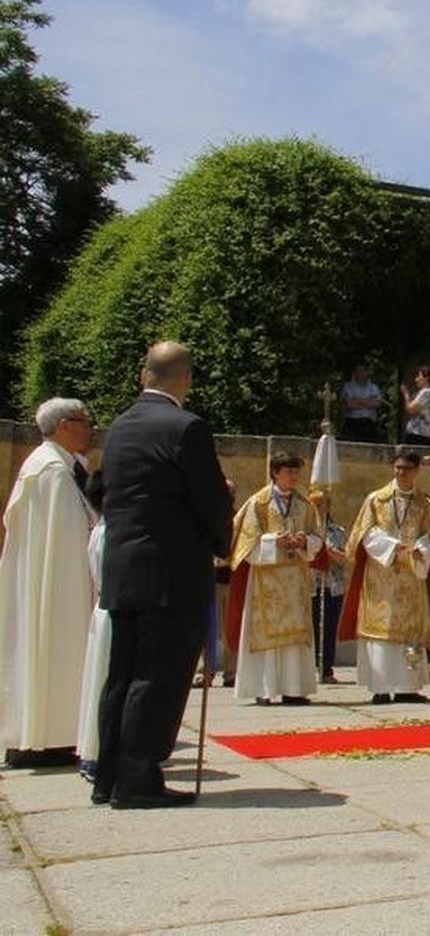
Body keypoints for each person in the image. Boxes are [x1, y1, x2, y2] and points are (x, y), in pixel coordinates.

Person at [95, 342, 233, 808]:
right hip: (171, 575)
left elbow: (102, 490)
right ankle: (137, 779)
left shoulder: (119, 427)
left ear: (142, 376)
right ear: (186, 380)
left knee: (122, 675)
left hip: (123, 568)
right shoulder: (186, 427)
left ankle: (108, 774)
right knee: (159, 676)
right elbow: (210, 499)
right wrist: (221, 541)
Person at [1, 398, 97, 769]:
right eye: (83, 420)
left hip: (55, 582)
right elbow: (70, 537)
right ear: (63, 426)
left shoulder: (59, 466)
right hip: (59, 586)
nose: (90, 427)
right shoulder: (53, 471)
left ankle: (53, 734)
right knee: (57, 652)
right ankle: (51, 737)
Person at [338, 450, 430, 703]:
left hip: (411, 577)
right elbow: (365, 532)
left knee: (410, 635)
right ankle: (381, 687)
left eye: (406, 468)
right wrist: (389, 545)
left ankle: (409, 687)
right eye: (396, 467)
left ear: (417, 471)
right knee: (381, 634)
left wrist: (421, 549)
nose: (400, 472)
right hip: (381, 576)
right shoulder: (376, 500)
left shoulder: (425, 504)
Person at [226, 452, 324, 706]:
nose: (293, 476)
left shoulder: (305, 503)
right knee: (266, 635)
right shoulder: (258, 503)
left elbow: (317, 537)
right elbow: (246, 542)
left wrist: (304, 541)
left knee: (294, 636)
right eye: (288, 471)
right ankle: (264, 687)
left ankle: (294, 689)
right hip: (265, 580)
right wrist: (273, 541)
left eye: (296, 471)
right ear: (275, 473)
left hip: (295, 580)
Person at [77, 470, 110, 780]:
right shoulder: (110, 532)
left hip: (106, 612)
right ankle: (100, 755)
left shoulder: (102, 529)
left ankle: (98, 752)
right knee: (106, 686)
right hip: (114, 613)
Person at [310, 491, 347, 685]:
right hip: (310, 587)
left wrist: (328, 551)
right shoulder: (305, 531)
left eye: (321, 504)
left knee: (329, 629)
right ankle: (310, 668)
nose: (318, 509)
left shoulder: (337, 531)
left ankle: (326, 669)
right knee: (311, 629)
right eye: (314, 504)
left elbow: (345, 558)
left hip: (331, 587)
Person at [341, 364, 384, 443]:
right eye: (359, 370)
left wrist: (357, 399)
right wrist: (368, 401)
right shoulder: (348, 386)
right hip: (352, 422)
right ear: (355, 372)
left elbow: (377, 403)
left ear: (367, 372)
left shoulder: (373, 387)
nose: (361, 373)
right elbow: (349, 404)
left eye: (363, 370)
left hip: (369, 423)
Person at [401, 366, 430, 446]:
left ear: (426, 378)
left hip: (419, 434)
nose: (416, 379)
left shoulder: (426, 392)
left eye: (419, 376)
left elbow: (411, 409)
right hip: (418, 433)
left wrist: (406, 395)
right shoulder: (427, 392)